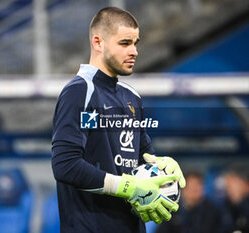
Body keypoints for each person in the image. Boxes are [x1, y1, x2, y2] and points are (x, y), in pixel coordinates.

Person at [51, 7, 186, 233]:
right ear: (98, 42)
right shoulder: (80, 92)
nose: (134, 51)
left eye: (135, 43)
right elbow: (65, 165)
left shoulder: (131, 97)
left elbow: (142, 159)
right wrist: (127, 187)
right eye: (125, 43)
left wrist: (161, 166)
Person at [156, 170, 223, 233]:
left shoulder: (213, 211)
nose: (195, 189)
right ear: (183, 188)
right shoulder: (172, 210)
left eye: (198, 185)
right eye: (191, 186)